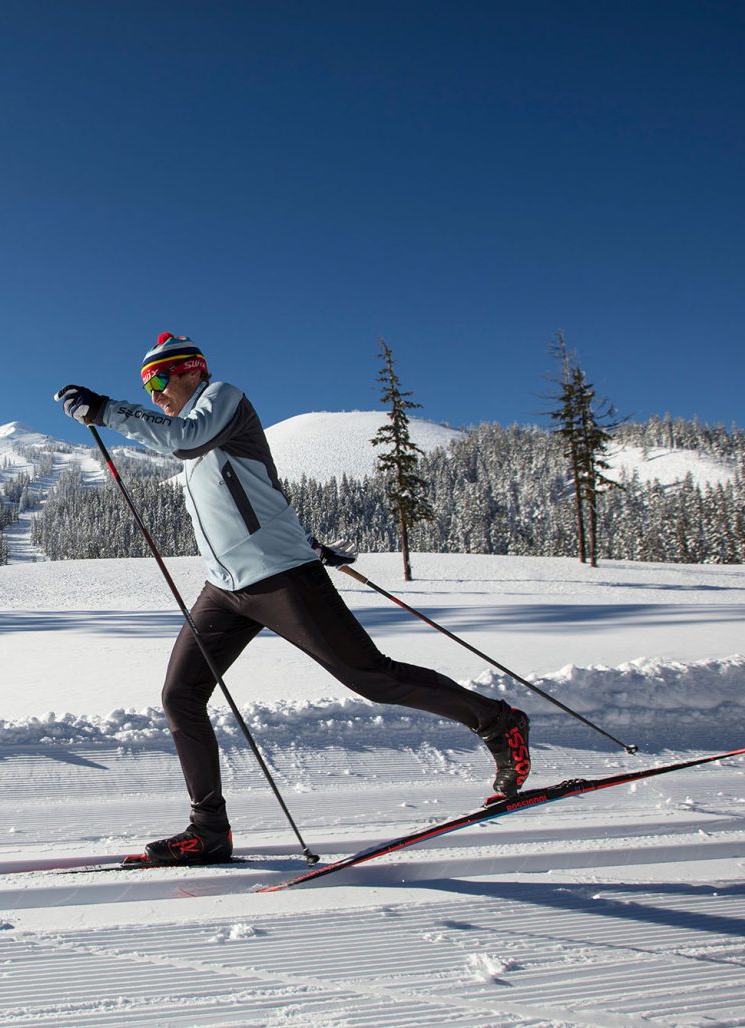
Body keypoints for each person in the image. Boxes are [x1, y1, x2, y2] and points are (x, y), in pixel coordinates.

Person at [55, 333, 530, 866]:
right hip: (225, 588)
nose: (155, 392)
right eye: (146, 385)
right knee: (179, 695)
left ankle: (499, 722)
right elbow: (252, 494)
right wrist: (307, 539)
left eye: (160, 379)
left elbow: (186, 440)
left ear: (191, 370)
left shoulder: (223, 400)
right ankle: (208, 830)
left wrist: (107, 410)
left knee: (371, 677)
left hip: (282, 579)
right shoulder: (194, 432)